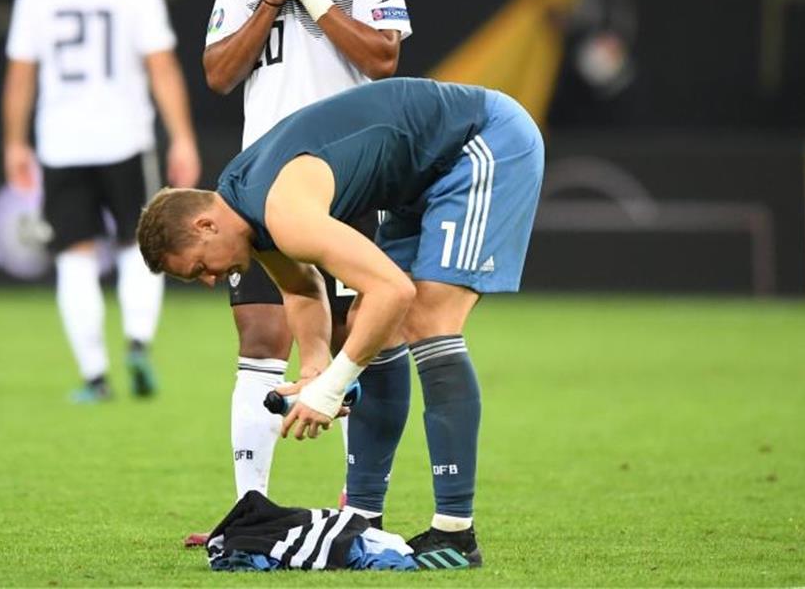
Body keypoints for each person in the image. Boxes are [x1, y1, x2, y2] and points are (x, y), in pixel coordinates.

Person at [137, 77, 545, 569]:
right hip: (418, 178)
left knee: (429, 318)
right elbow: (302, 287)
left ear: (205, 225)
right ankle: (364, 522)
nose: (209, 281)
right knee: (366, 324)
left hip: (480, 142)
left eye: (199, 267)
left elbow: (394, 291)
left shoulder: (280, 211)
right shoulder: (243, 203)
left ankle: (456, 533)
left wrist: (331, 388)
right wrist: (314, 365)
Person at [202, 0, 413, 525]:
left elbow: (383, 58)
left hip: (345, 177)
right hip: (263, 181)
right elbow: (217, 72)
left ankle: (361, 513)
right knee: (260, 339)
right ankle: (247, 511)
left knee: (359, 339)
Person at [3, 0, 201, 403]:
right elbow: (161, 68)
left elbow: (21, 76)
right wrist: (181, 134)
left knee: (74, 255)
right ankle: (137, 342)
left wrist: (14, 142)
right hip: (125, 138)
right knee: (138, 246)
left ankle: (95, 376)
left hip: (61, 140)